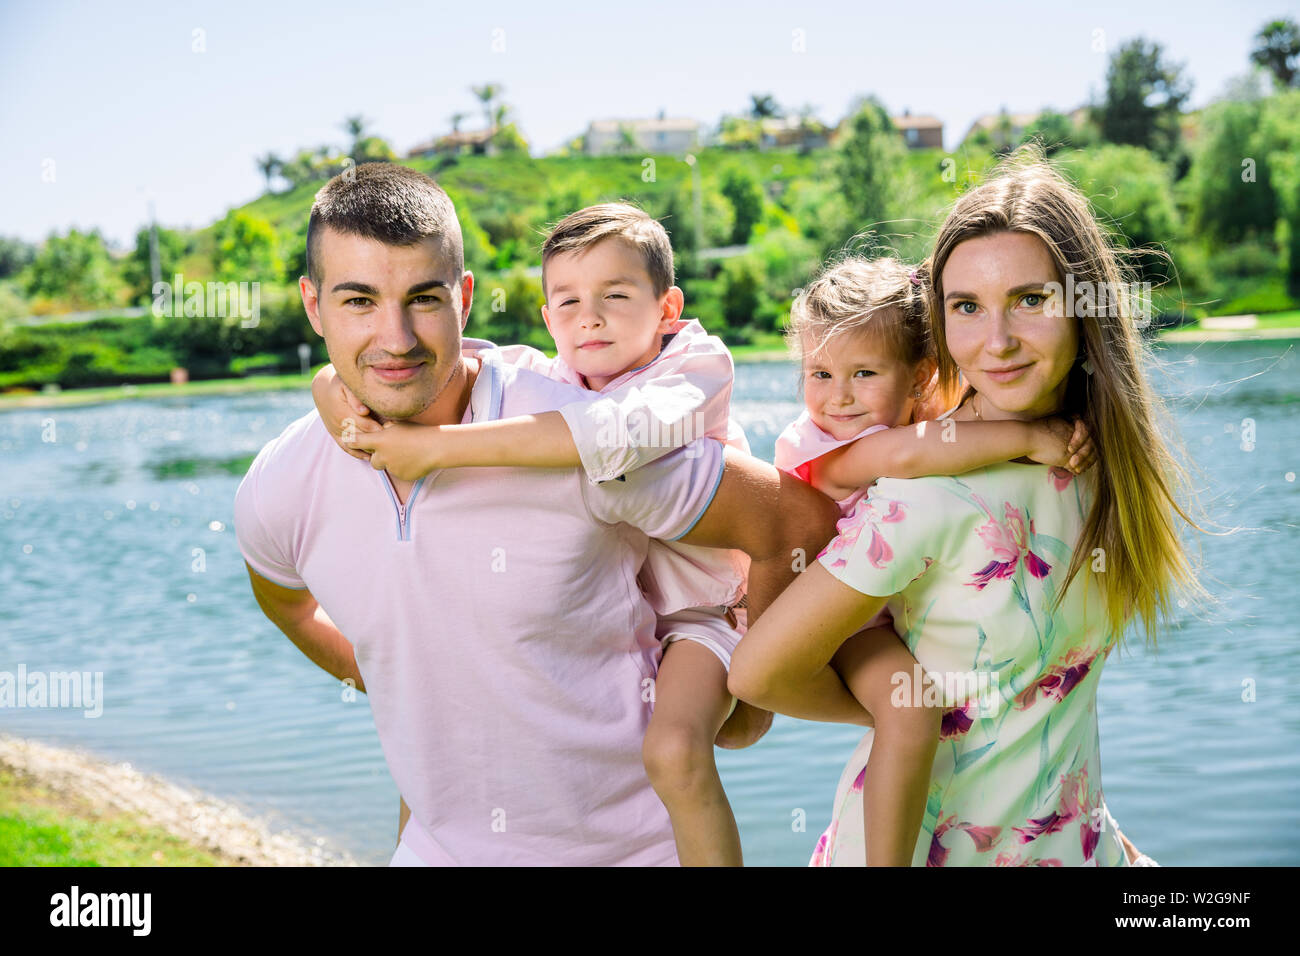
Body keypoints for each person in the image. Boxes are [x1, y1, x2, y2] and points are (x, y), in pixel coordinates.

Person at [234, 162, 843, 866]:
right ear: (314, 306)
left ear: (464, 299)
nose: (395, 338)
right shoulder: (281, 485)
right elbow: (286, 601)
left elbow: (795, 524)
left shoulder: (576, 436)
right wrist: (400, 677)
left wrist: (751, 695)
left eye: (423, 299)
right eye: (359, 301)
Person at [730, 150, 1200, 866]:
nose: (998, 340)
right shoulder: (925, 496)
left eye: (1031, 300)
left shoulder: (1105, 464)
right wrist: (911, 716)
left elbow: (1045, 708)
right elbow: (758, 675)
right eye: (968, 308)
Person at [309, 202, 758, 865]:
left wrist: (436, 449)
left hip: (705, 615)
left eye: (615, 296)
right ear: (549, 321)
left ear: (667, 308)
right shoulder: (558, 374)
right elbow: (457, 363)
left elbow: (609, 435)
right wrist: (328, 384)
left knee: (675, 754)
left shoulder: (693, 368)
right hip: (629, 620)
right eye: (568, 303)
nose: (590, 317)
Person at [769, 254, 1095, 864]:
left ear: (918, 377)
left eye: (863, 372)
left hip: (882, 612)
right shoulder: (825, 446)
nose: (837, 397)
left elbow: (951, 412)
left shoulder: (918, 413)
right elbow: (913, 454)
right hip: (843, 623)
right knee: (908, 708)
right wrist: (1028, 438)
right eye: (818, 374)